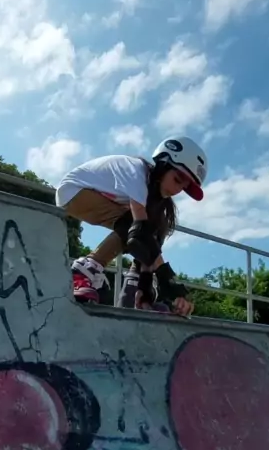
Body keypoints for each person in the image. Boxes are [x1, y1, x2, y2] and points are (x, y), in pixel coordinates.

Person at [55, 136, 207, 317]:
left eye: (183, 187)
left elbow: (148, 243)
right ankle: (83, 272)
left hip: (99, 199)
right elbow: (140, 233)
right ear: (164, 165)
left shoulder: (151, 194)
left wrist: (147, 284)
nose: (177, 190)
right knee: (136, 228)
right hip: (74, 192)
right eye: (177, 179)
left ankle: (137, 291)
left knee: (154, 230)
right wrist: (170, 283)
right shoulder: (137, 172)